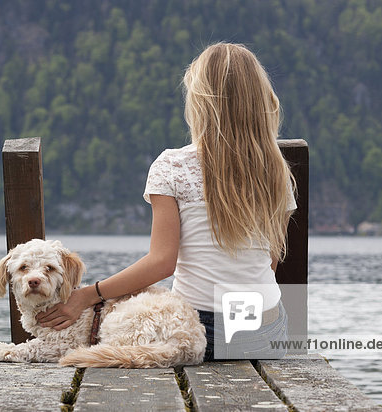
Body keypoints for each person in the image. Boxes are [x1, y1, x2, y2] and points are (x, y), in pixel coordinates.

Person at [36, 42, 297, 361]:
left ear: (200, 102)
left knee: (136, 320)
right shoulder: (276, 170)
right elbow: (269, 263)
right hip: (269, 331)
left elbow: (161, 262)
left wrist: (88, 295)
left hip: (206, 331)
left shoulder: (174, 165)